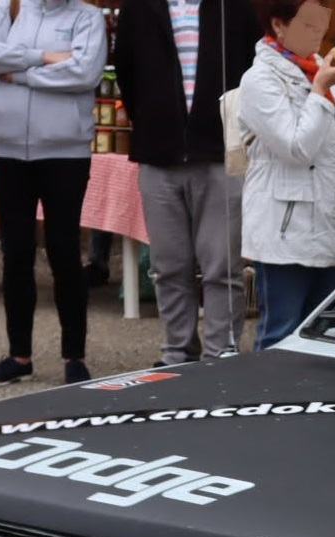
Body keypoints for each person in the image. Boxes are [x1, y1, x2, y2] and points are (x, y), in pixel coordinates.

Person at [113, 0, 258, 365]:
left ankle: (219, 353)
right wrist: (151, 120)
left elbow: (254, 70)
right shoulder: (138, 8)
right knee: (169, 266)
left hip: (220, 156)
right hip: (159, 156)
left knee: (222, 268)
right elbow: (126, 72)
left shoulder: (234, 8)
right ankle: (177, 351)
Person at [0, 0, 107, 386]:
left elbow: (84, 72)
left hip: (65, 150)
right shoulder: (8, 7)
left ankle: (74, 356)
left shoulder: (88, 16)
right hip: (7, 148)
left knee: (64, 253)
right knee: (15, 253)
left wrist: (19, 73)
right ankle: (19, 355)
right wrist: (44, 57)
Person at [238, 0, 335, 351]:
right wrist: (320, 92)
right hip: (285, 237)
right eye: (307, 25)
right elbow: (296, 148)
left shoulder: (322, 78)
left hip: (330, 234)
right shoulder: (258, 81)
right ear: (279, 26)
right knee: (279, 337)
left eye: (320, 25)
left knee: (322, 341)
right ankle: (269, 403)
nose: (317, 34)